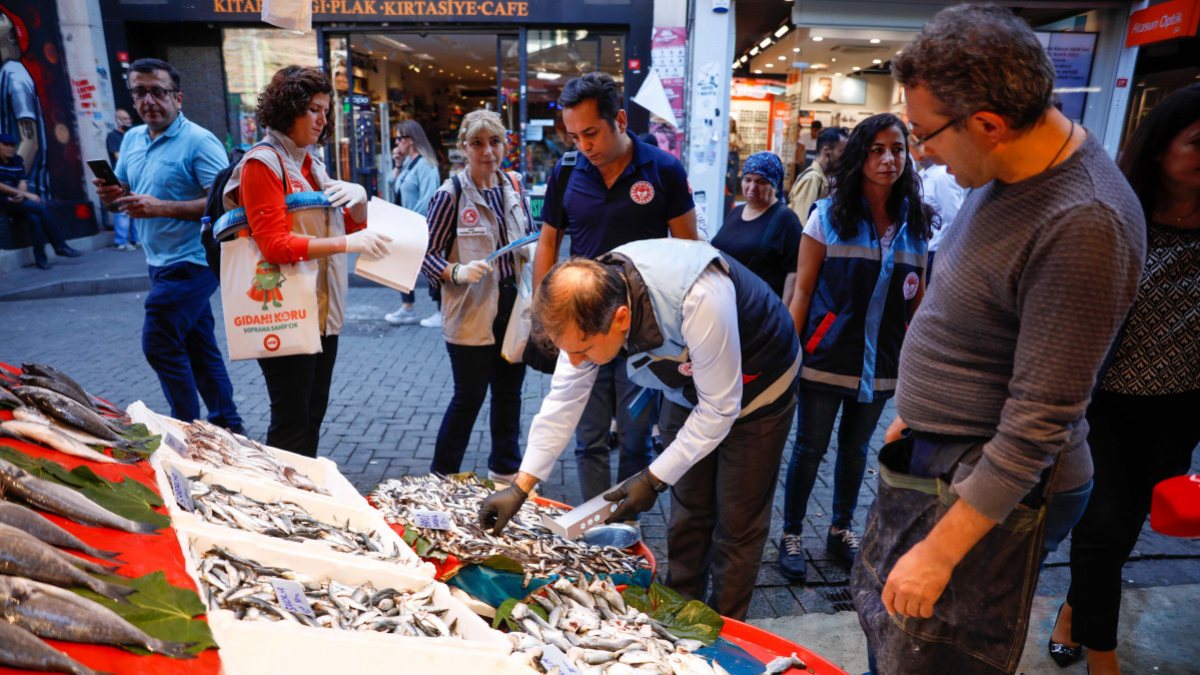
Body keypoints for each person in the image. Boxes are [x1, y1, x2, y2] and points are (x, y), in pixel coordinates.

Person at [853, 5, 1146, 673]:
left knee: (933, 658)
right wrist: (919, 410)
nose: (919, 153)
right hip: (944, 452)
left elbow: (1039, 422)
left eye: (924, 135)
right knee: (896, 642)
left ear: (988, 124)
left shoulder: (1084, 223)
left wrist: (940, 551)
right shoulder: (1002, 169)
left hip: (992, 484)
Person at [479, 239, 800, 619]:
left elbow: (719, 409)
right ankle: (680, 613)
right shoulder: (588, 298)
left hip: (761, 383)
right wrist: (521, 485)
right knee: (688, 507)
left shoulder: (701, 298)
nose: (576, 361)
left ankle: (725, 627)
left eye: (582, 350)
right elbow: (565, 396)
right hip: (689, 385)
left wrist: (652, 478)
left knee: (737, 520)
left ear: (620, 319)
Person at [1048, 84, 1200, 675]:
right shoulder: (1118, 210)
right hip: (1103, 403)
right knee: (1103, 523)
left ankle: (1070, 609)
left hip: (1181, 406)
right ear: (1162, 147)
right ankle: (1103, 657)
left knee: (1126, 526)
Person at [778, 113, 932, 583]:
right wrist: (788, 355)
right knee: (809, 448)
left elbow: (918, 301)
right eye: (877, 149)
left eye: (898, 149)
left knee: (856, 450)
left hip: (882, 362)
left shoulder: (917, 223)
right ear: (860, 155)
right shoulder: (827, 216)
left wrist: (918, 361)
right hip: (827, 358)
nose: (889, 159)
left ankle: (841, 528)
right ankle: (791, 533)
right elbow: (801, 291)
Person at [531, 72, 698, 501]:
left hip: (641, 330)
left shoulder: (663, 170)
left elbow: (689, 251)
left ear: (620, 120)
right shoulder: (567, 173)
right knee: (587, 436)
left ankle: (625, 526)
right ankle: (591, 526)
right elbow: (547, 243)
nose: (584, 145)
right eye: (574, 136)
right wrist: (543, 318)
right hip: (582, 322)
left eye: (591, 133)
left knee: (636, 435)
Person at [221, 65, 386, 458]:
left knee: (312, 413)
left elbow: (348, 222)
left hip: (321, 312)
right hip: (283, 311)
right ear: (288, 108)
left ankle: (302, 491)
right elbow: (274, 245)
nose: (322, 119)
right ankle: (284, 501)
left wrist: (360, 199)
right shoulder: (262, 162)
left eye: (326, 111)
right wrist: (346, 243)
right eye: (313, 109)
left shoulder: (311, 164)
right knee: (292, 420)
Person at [94, 58, 244, 433]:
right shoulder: (131, 140)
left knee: (159, 343)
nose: (148, 101)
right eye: (139, 92)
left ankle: (186, 431)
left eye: (157, 91)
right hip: (158, 261)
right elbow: (122, 197)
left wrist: (163, 208)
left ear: (178, 97)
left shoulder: (200, 141)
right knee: (199, 347)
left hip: (195, 261)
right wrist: (112, 196)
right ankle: (228, 426)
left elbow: (223, 204)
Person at [422, 109, 536, 480]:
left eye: (495, 142)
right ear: (463, 148)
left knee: (509, 394)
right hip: (471, 310)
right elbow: (425, 254)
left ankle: (505, 471)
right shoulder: (450, 194)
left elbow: (531, 234)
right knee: (468, 398)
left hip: (513, 306)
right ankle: (441, 475)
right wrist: (456, 271)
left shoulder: (515, 187)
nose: (488, 151)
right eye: (477, 143)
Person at [711, 151, 801, 300]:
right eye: (748, 180)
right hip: (726, 304)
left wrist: (784, 316)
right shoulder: (736, 212)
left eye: (761, 182)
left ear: (775, 185)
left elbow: (794, 273)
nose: (752, 187)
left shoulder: (786, 219)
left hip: (760, 311)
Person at [384, 120, 441, 327]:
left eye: (399, 138)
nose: (397, 143)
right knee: (402, 266)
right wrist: (397, 163)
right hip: (406, 224)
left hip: (419, 224)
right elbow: (393, 183)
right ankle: (407, 308)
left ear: (411, 140)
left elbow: (428, 198)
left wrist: (410, 222)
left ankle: (441, 311)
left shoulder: (426, 165)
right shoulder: (409, 163)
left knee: (431, 267)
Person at [0, 133, 81, 269]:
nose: (10, 148)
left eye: (12, 145)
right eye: (5, 145)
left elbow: (22, 180)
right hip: (2, 201)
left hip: (17, 201)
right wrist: (24, 194)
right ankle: (60, 246)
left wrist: (22, 194)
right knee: (40, 206)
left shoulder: (17, 160)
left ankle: (41, 259)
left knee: (35, 220)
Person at [0, 7, 47, 199]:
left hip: (22, 191)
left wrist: (17, 188)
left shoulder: (14, 75)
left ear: (11, 39)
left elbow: (30, 141)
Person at [910, 133, 965, 280]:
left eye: (917, 146)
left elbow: (954, 217)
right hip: (925, 248)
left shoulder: (941, 176)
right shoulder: (924, 174)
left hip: (936, 250)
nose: (914, 151)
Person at [789, 126, 848, 221]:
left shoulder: (822, 177)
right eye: (842, 152)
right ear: (826, 152)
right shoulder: (812, 179)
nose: (845, 157)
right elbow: (802, 222)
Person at [106, 109, 138, 251]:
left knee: (135, 206)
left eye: (128, 118)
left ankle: (136, 239)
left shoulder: (133, 136)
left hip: (134, 175)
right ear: (117, 120)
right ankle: (121, 241)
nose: (127, 121)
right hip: (121, 177)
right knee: (123, 209)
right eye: (124, 119)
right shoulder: (113, 136)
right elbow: (118, 157)